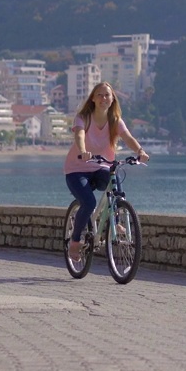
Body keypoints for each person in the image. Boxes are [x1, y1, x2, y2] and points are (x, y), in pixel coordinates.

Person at [64, 82, 149, 259]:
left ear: (112, 99)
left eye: (107, 95)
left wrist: (139, 151)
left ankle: (116, 221)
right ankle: (75, 240)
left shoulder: (115, 121)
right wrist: (82, 151)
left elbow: (128, 137)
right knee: (88, 202)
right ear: (93, 99)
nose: (104, 98)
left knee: (115, 179)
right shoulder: (83, 117)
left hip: (101, 166)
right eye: (100, 95)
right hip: (77, 169)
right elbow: (79, 135)